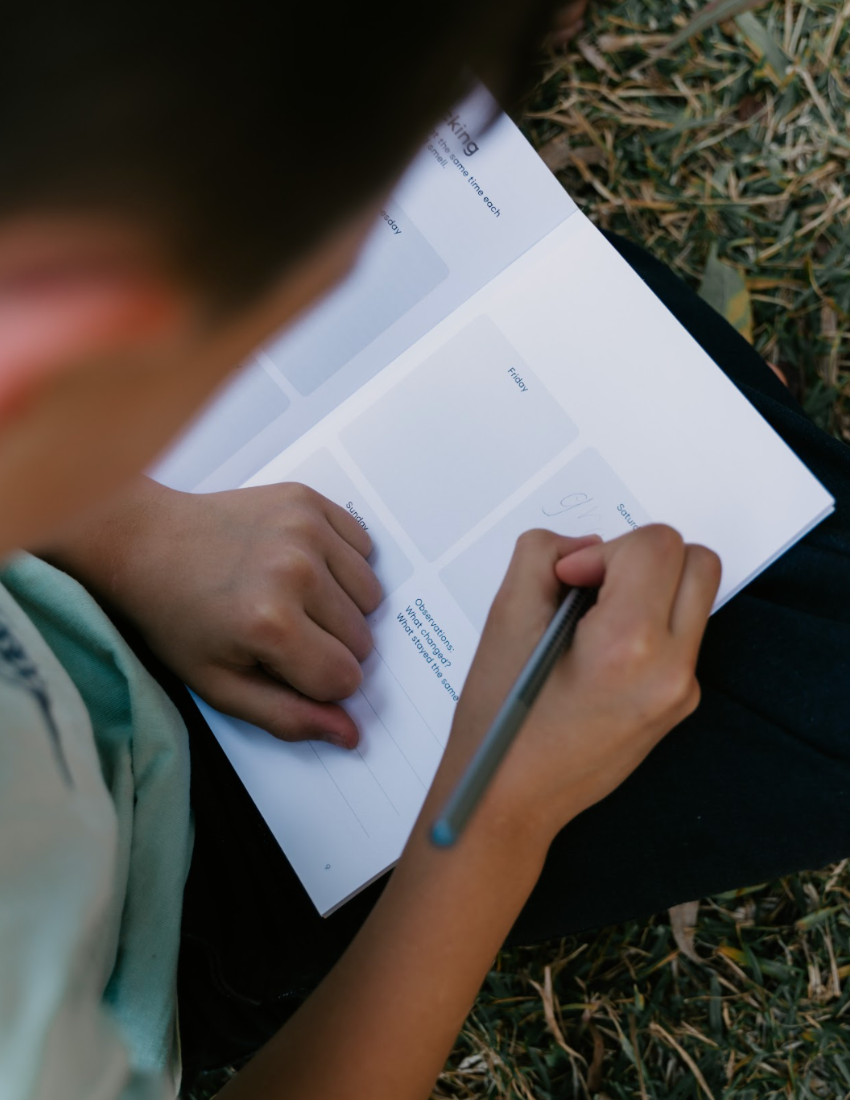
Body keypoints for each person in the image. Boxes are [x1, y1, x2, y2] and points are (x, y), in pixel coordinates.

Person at [1, 5, 848, 1100]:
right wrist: (498, 810)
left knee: (576, 317)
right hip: (165, 892)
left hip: (109, 601)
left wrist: (128, 530)